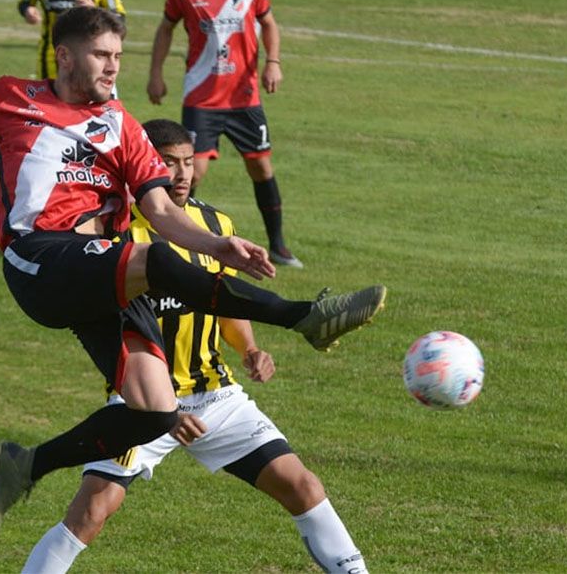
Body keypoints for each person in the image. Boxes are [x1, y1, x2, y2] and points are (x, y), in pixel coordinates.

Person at [0, 6, 386, 543]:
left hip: (103, 277)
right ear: (65, 55)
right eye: (102, 55)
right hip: (39, 260)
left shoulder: (124, 126)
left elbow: (160, 211)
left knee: (154, 412)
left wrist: (218, 243)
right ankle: (305, 316)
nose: (112, 66)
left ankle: (27, 465)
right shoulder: (10, 96)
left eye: (118, 56)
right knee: (153, 265)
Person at [21, 120, 369, 574]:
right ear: (145, 165)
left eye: (188, 162)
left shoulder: (214, 226)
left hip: (215, 396)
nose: (183, 174)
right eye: (169, 164)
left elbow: (224, 301)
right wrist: (164, 411)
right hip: (141, 404)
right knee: (91, 513)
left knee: (302, 486)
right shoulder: (117, 237)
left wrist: (248, 349)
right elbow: (110, 331)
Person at [150, 0, 302, 268]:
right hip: (202, 98)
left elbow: (269, 22)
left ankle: (278, 246)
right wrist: (155, 73)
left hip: (244, 97)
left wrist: (273, 61)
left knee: (261, 168)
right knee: (192, 171)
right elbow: (165, 29)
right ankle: (175, 241)